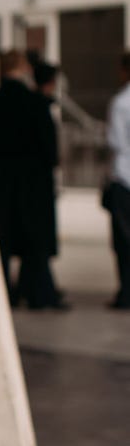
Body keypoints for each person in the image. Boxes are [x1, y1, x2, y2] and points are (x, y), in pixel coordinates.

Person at [0, 49, 66, 310]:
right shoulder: (37, 103)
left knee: (3, 244)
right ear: (24, 68)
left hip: (4, 181)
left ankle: (5, 294)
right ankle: (38, 294)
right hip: (34, 185)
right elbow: (51, 151)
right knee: (34, 243)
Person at [104, 51, 130, 310]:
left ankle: (127, 293)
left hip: (125, 176)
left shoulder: (121, 102)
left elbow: (115, 142)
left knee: (124, 240)